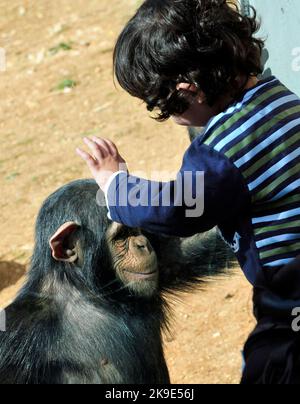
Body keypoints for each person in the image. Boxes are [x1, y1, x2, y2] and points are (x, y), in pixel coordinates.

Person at [76, 0, 300, 383]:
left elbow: (177, 208)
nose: (164, 117)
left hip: (291, 292)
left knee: (270, 367)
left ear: (188, 90)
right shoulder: (282, 99)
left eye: (159, 105)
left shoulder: (221, 153)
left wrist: (116, 185)